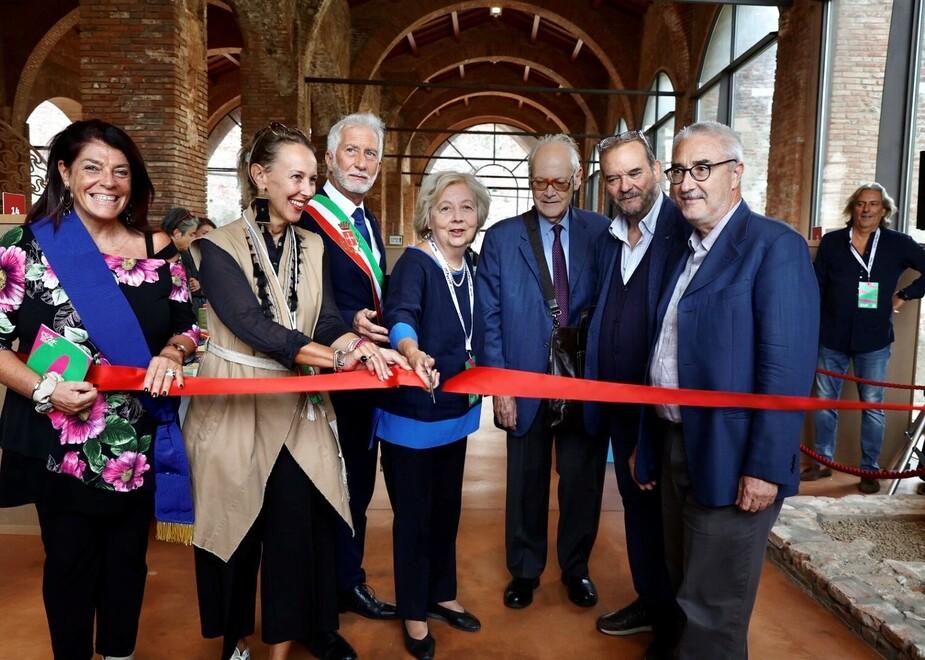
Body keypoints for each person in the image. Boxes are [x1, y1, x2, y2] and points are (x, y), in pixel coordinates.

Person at [183, 122, 407, 660]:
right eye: (297, 176)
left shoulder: (315, 244)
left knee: (297, 531)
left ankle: (287, 641)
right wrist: (334, 356)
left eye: (312, 177)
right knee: (235, 529)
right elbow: (251, 323)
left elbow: (327, 317)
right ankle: (234, 639)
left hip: (299, 409)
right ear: (261, 176)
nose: (307, 188)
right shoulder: (215, 247)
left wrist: (355, 342)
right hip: (236, 404)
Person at [0, 119, 199, 660]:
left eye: (120, 171)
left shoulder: (157, 248)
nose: (108, 181)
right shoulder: (27, 247)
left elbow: (190, 324)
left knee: (127, 566)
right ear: (64, 172)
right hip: (59, 441)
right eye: (92, 167)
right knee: (68, 566)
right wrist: (44, 390)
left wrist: (172, 351)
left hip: (137, 441)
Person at [634, 121, 819, 659]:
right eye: (678, 171)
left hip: (735, 454)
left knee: (713, 607)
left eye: (702, 168)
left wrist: (764, 465)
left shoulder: (773, 248)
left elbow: (786, 369)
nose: (687, 183)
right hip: (676, 443)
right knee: (681, 583)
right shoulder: (686, 252)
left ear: (736, 174)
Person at [475, 133, 610, 610]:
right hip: (524, 381)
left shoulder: (602, 233)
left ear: (577, 179)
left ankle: (576, 568)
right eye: (539, 182)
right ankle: (525, 570)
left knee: (582, 481)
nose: (549, 191)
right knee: (526, 481)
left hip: (583, 382)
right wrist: (500, 386)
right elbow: (487, 315)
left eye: (559, 181)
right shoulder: (502, 237)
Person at [582, 130, 686, 656]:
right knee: (636, 507)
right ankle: (650, 600)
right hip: (619, 406)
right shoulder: (608, 236)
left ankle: (673, 624)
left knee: (667, 515)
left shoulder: (682, 231)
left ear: (657, 168)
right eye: (615, 177)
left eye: (634, 173)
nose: (625, 186)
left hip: (665, 413)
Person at [378, 171, 490, 659]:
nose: (457, 217)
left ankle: (442, 592)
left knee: (447, 511)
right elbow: (401, 313)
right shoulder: (415, 266)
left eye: (466, 207)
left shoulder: (476, 266)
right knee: (415, 518)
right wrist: (410, 348)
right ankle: (414, 612)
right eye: (446, 208)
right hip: (412, 416)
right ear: (429, 216)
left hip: (456, 413)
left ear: (479, 215)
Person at [299, 112, 397, 620]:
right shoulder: (310, 217)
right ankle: (322, 599)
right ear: (330, 158)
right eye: (352, 152)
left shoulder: (368, 220)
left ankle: (347, 580)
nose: (362, 162)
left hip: (367, 379)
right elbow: (303, 297)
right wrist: (343, 323)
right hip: (327, 374)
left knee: (358, 482)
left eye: (371, 153)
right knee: (327, 486)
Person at [805, 183, 925, 493]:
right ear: (852, 208)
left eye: (873, 204)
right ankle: (821, 463)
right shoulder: (832, 242)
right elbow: (815, 286)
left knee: (873, 406)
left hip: (873, 341)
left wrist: (905, 294)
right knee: (824, 403)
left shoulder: (898, 244)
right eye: (861, 204)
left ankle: (870, 469)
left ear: (884, 210)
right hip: (830, 337)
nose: (866, 209)